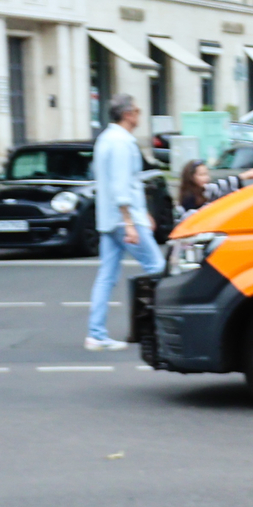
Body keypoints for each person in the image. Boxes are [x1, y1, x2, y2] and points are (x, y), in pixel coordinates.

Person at [87, 93, 164, 351]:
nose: (140, 115)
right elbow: (122, 186)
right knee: (158, 269)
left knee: (106, 276)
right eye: (138, 111)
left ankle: (95, 333)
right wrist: (131, 222)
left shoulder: (106, 139)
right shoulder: (122, 143)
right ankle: (158, 328)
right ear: (128, 114)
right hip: (124, 220)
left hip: (110, 219)